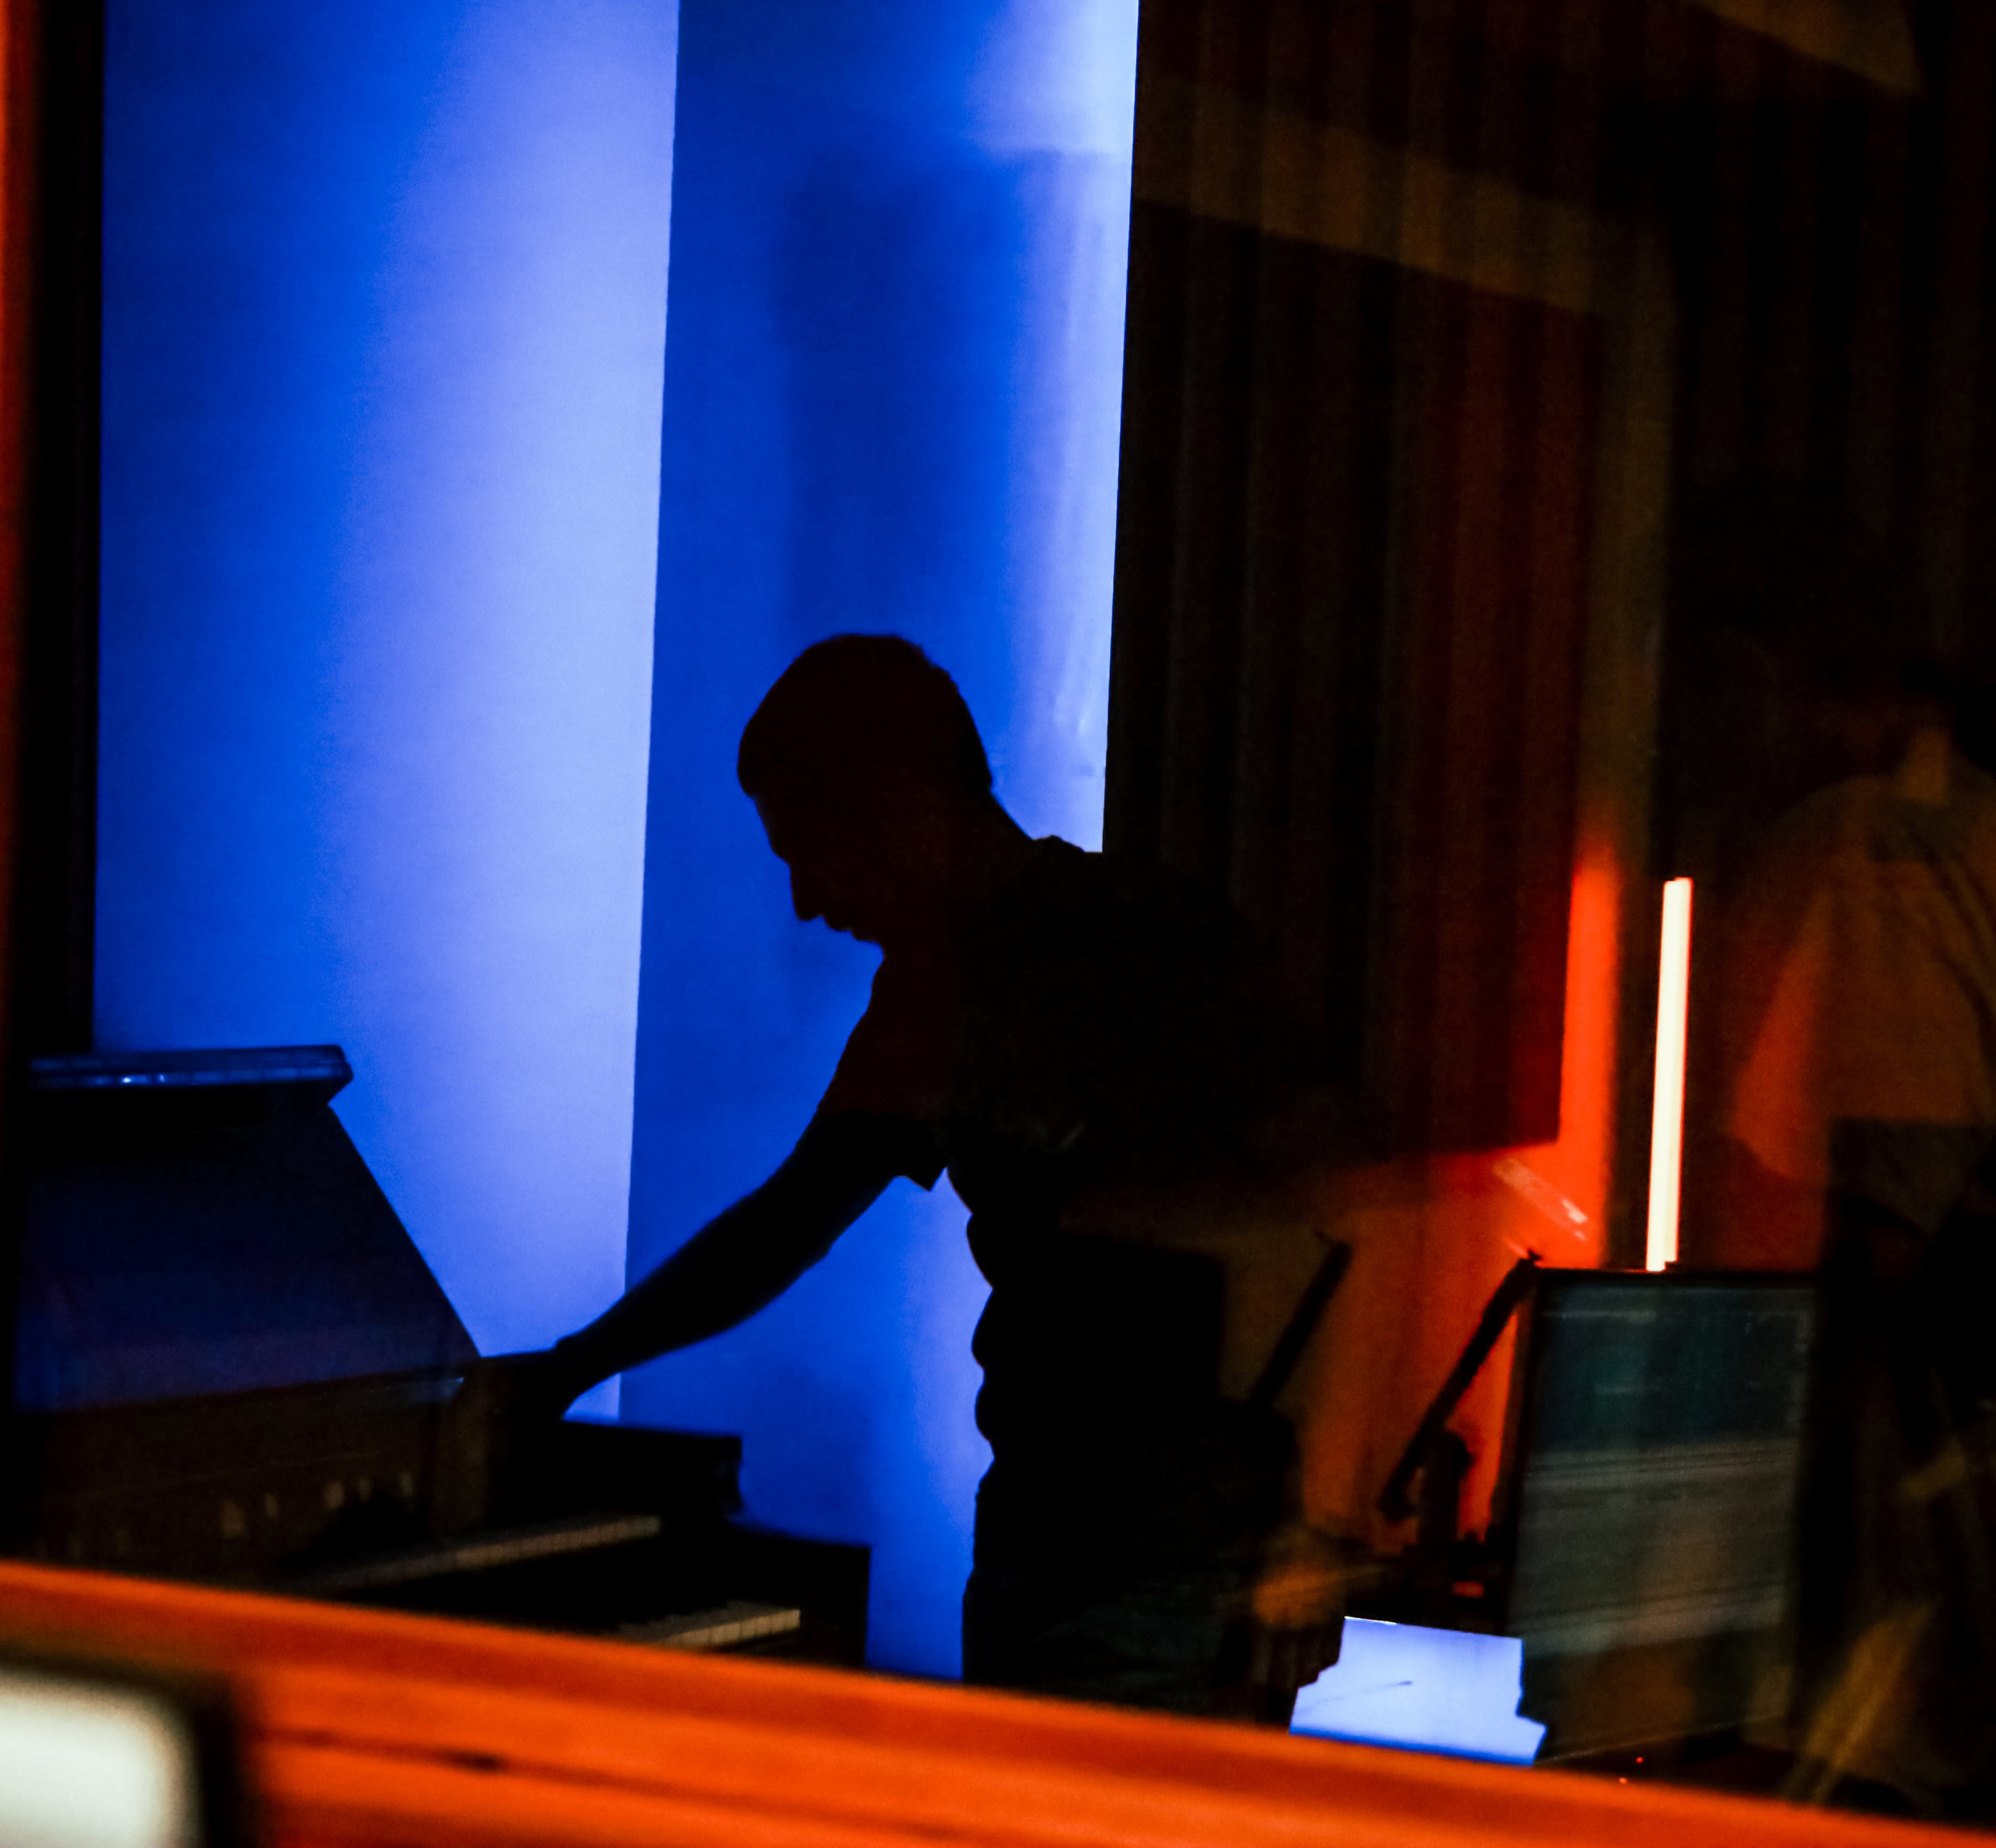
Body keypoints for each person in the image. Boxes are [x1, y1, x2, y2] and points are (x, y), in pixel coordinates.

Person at [500, 635, 1343, 1718]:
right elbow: (788, 1221)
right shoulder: (938, 987)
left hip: (1173, 1551)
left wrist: (1316, 1520)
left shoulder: (1145, 945)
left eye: (809, 850)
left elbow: (1341, 1206)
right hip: (1069, 1534)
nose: (807, 900)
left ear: (895, 804)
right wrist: (573, 1366)